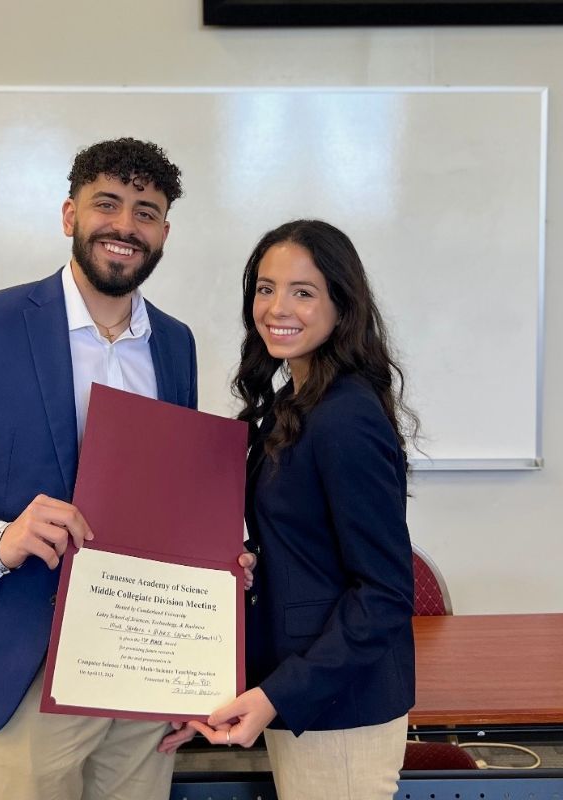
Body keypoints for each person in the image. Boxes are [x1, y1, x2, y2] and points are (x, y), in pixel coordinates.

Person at [0, 138, 200, 800]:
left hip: (139, 665)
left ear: (164, 231)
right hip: (21, 664)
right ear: (68, 215)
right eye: (106, 204)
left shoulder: (176, 342)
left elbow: (170, 499)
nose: (125, 226)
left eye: (146, 211)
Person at [160, 219, 418, 800]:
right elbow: (306, 548)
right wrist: (254, 562)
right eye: (265, 287)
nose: (278, 307)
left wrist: (277, 694)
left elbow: (383, 594)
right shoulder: (291, 404)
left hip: (339, 707)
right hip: (300, 686)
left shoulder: (346, 418)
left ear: (341, 306)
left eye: (304, 291)